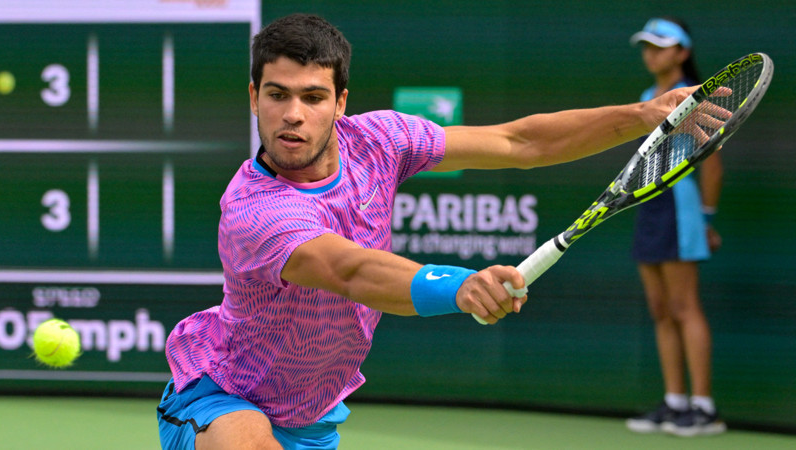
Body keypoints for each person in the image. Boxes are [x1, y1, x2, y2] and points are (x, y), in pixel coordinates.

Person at [156, 13, 703, 449]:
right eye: (277, 95)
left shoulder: (380, 142)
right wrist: (459, 287)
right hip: (223, 394)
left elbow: (520, 142)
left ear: (340, 103)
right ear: (254, 97)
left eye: (313, 97)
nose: (292, 115)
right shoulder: (253, 210)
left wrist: (641, 115)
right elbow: (349, 269)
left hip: (311, 414)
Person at [624, 17, 726, 437]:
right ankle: (674, 401)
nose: (652, 52)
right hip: (648, 205)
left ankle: (703, 408)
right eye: (647, 45)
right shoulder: (649, 96)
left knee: (685, 307)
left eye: (661, 45)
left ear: (682, 52)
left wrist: (705, 219)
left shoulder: (699, 97)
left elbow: (713, 163)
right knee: (661, 309)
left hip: (680, 207)